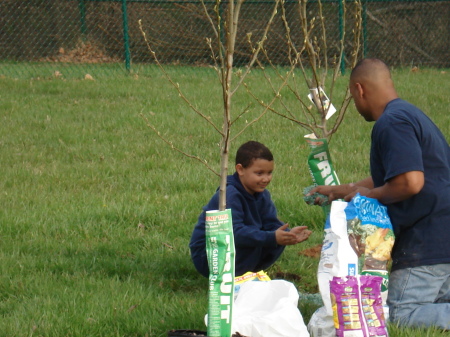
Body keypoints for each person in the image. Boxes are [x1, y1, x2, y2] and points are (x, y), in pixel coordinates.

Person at [308, 58, 450, 330]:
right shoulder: (411, 114)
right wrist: (345, 190)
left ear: (360, 89)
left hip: (426, 244)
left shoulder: (391, 122)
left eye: (353, 96)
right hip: (444, 240)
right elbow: (396, 173)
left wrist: (367, 196)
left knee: (401, 315)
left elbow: (410, 182)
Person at [190, 140, 312, 278]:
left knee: (274, 237)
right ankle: (233, 277)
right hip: (209, 254)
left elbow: (271, 223)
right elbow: (233, 232)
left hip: (237, 243)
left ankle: (248, 274)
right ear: (240, 169)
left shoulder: (263, 195)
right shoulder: (229, 194)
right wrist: (272, 237)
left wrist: (288, 234)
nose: (266, 179)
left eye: (269, 173)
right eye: (259, 173)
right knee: (264, 239)